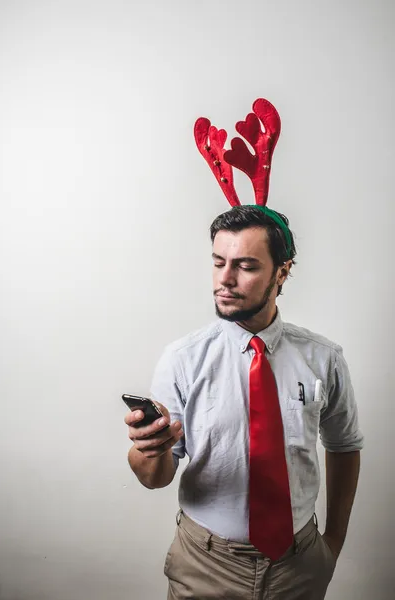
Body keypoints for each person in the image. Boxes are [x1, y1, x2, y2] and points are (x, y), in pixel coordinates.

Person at [125, 100, 363, 600]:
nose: (225, 280)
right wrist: (148, 450)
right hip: (205, 565)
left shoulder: (324, 358)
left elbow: (344, 446)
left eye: (247, 266)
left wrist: (333, 543)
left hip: (299, 566)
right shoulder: (183, 358)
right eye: (218, 262)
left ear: (283, 272)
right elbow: (155, 477)